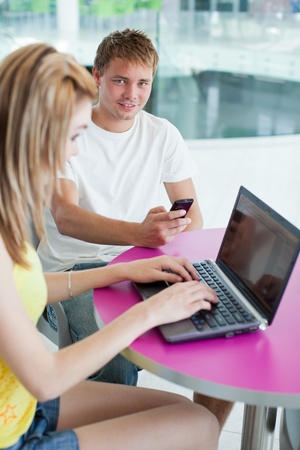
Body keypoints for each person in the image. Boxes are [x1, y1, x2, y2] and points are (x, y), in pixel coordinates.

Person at [0, 42, 221, 450]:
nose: (77, 150)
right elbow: (45, 377)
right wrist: (150, 311)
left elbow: (16, 289)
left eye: (142, 83)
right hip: (12, 432)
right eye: (73, 136)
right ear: (35, 133)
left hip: (20, 404)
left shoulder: (9, 210)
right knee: (198, 428)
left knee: (195, 416)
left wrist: (122, 270)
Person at [37, 28, 202, 387]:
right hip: (72, 269)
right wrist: (139, 234)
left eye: (143, 83)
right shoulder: (67, 133)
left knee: (216, 325)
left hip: (137, 262)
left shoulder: (163, 134)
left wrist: (167, 236)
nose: (132, 94)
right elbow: (65, 216)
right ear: (96, 75)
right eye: (120, 81)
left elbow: (193, 217)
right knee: (118, 363)